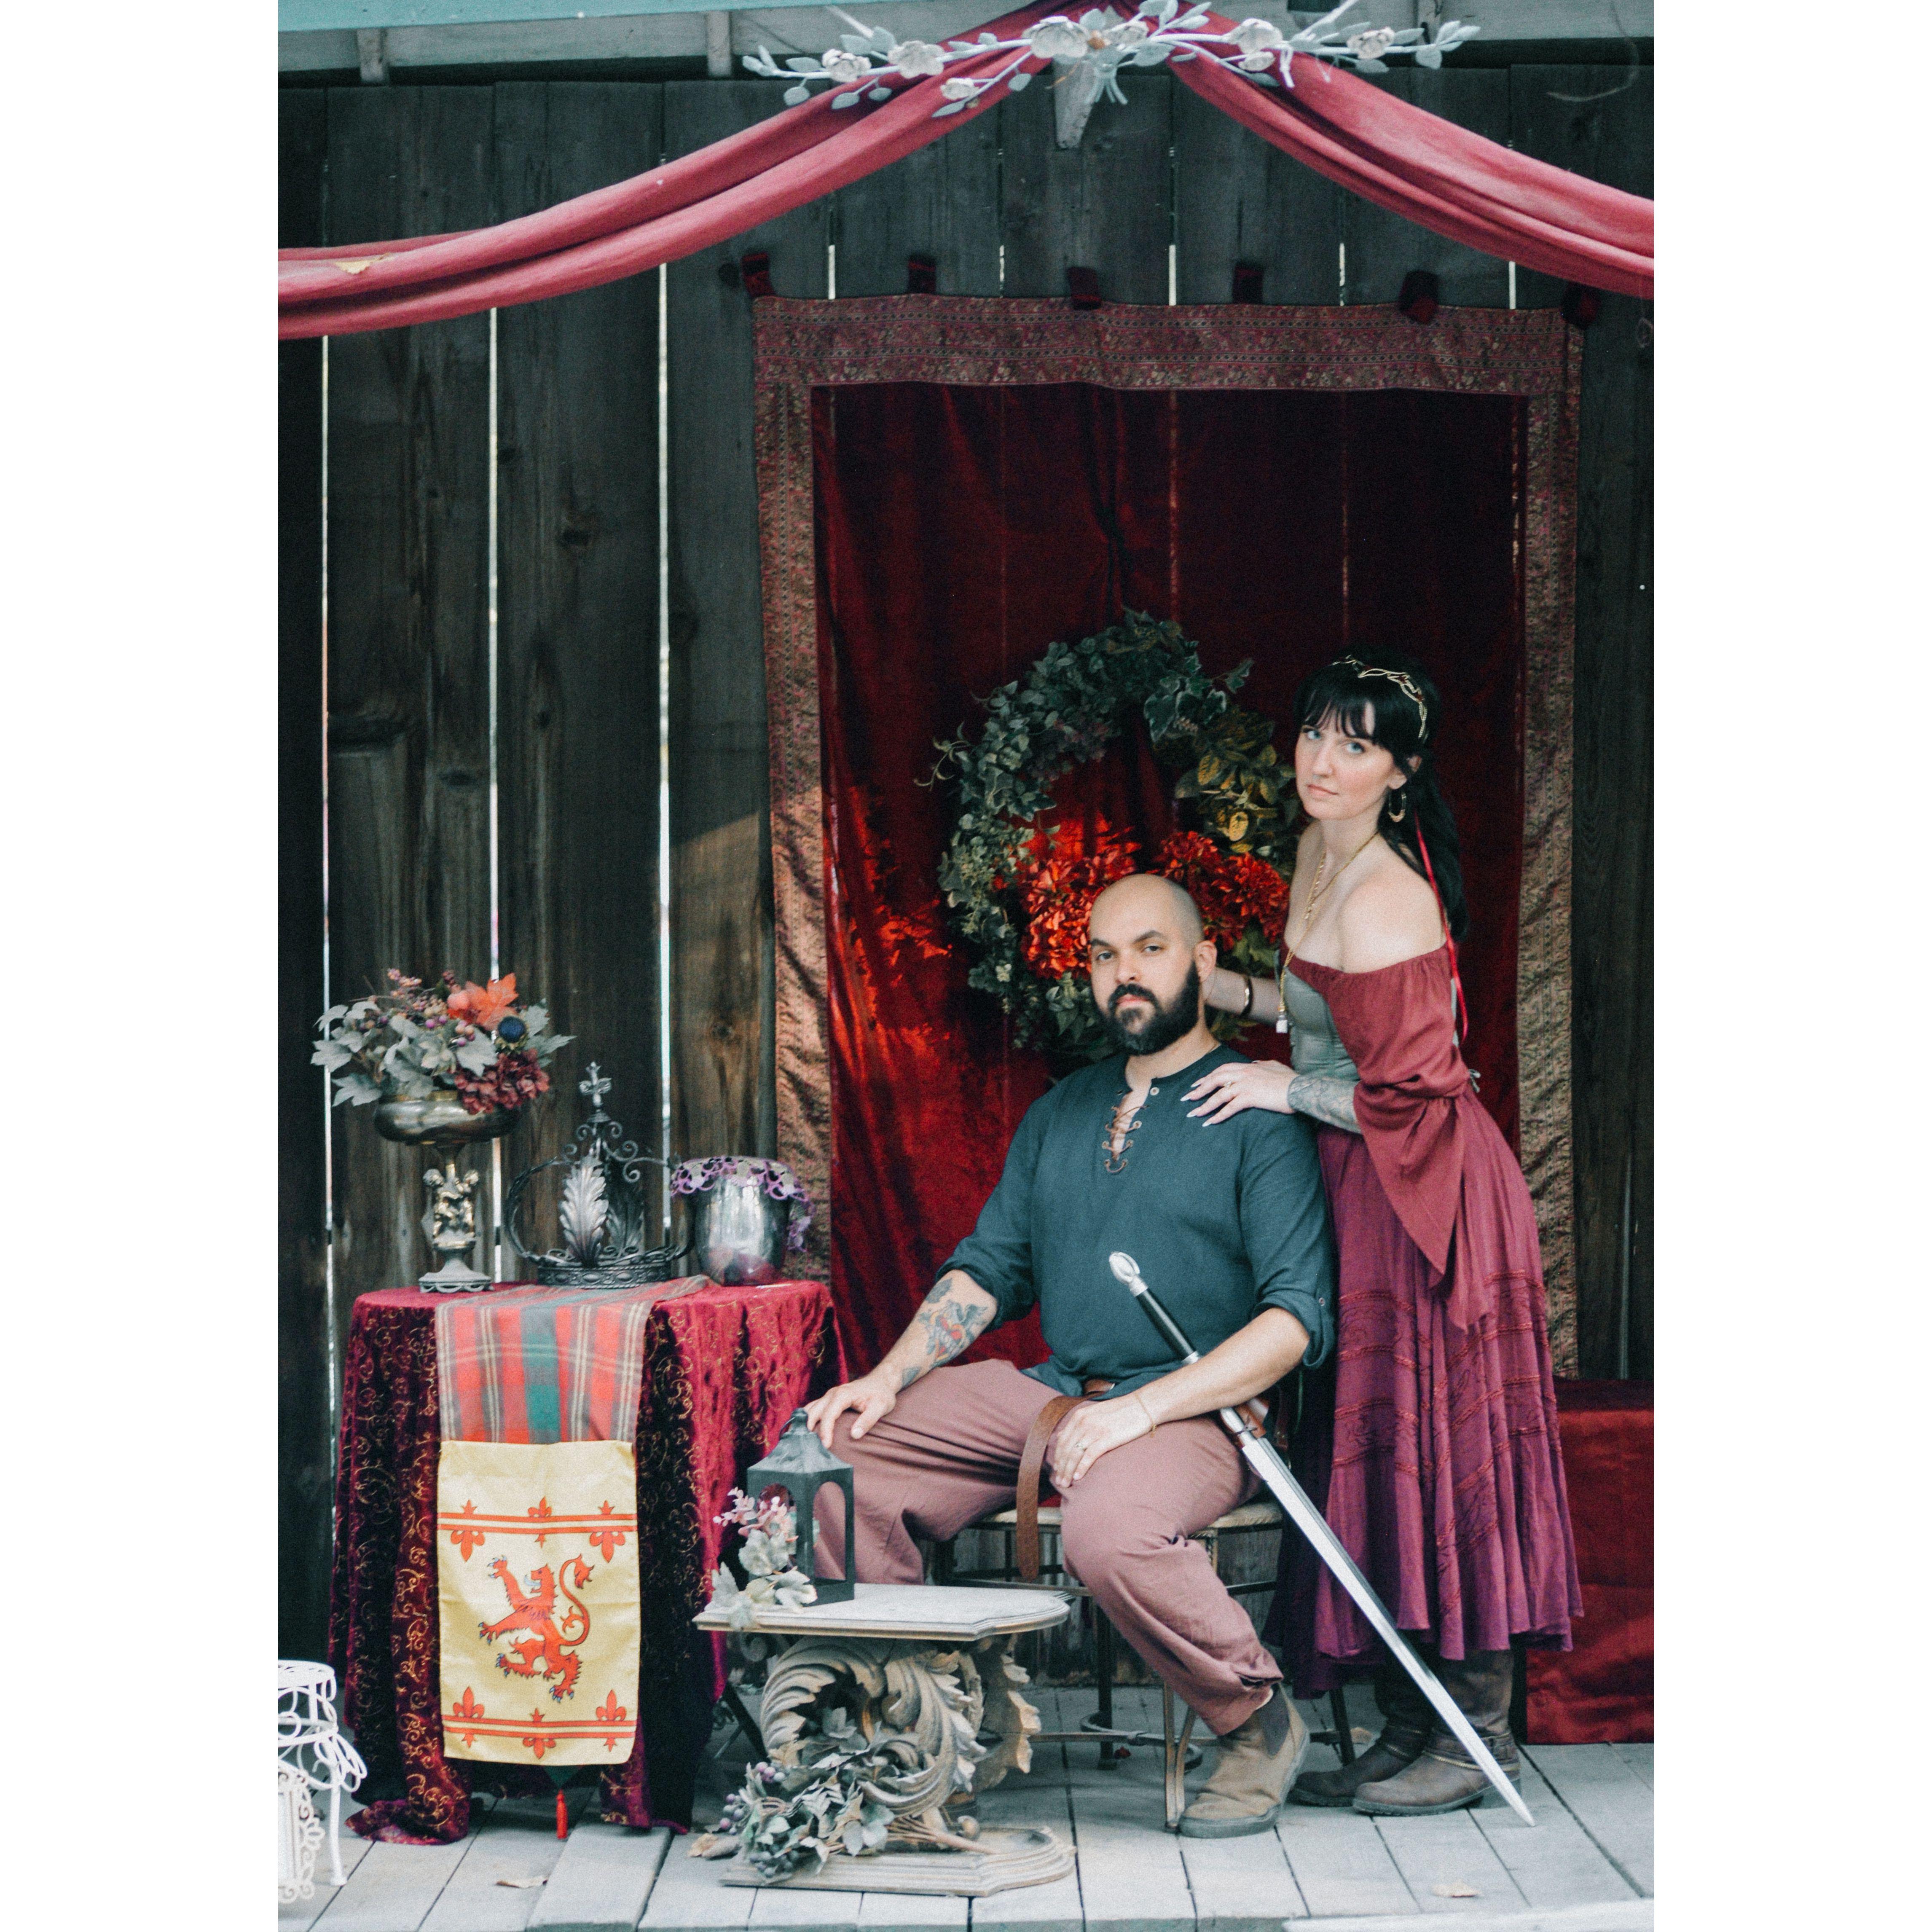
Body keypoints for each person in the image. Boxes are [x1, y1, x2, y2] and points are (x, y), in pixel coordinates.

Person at [805, 872, 1338, 1838]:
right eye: (1103, 955)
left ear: (1203, 961)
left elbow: (1293, 1324)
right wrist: (886, 1377)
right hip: (1055, 1396)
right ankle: (913, 1724)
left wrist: (1140, 1410)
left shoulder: (1258, 1114)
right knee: (836, 1460)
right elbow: (989, 1270)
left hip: (1195, 1412)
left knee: (1109, 1534)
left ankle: (1258, 1723)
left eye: (1150, 949)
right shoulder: (1062, 1111)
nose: (1124, 972)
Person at [1187, 649, 1581, 1817]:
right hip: (1363, 1179)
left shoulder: (1386, 894)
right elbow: (1330, 1018)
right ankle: (1418, 1725)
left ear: (1400, 774)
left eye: (1356, 746)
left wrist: (1280, 1089)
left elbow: (1417, 1088)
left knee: (1441, 1443)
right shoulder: (1321, 851)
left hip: (1427, 1193)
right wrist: (1237, 996)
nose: (1323, 761)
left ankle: (1480, 1734)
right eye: (1316, 732)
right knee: (1381, 1445)